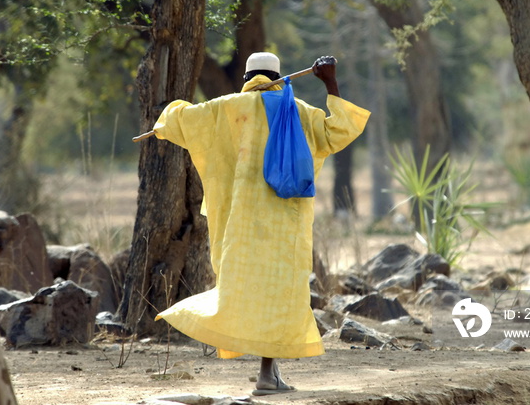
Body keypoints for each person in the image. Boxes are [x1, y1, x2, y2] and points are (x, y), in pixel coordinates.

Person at [153, 52, 370, 395]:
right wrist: (330, 83)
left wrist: (162, 121)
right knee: (277, 293)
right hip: (285, 222)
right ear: (278, 76)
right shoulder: (297, 111)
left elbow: (179, 120)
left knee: (238, 288)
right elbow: (339, 131)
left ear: (246, 78)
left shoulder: (225, 108)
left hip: (237, 224)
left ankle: (263, 369)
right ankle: (268, 374)